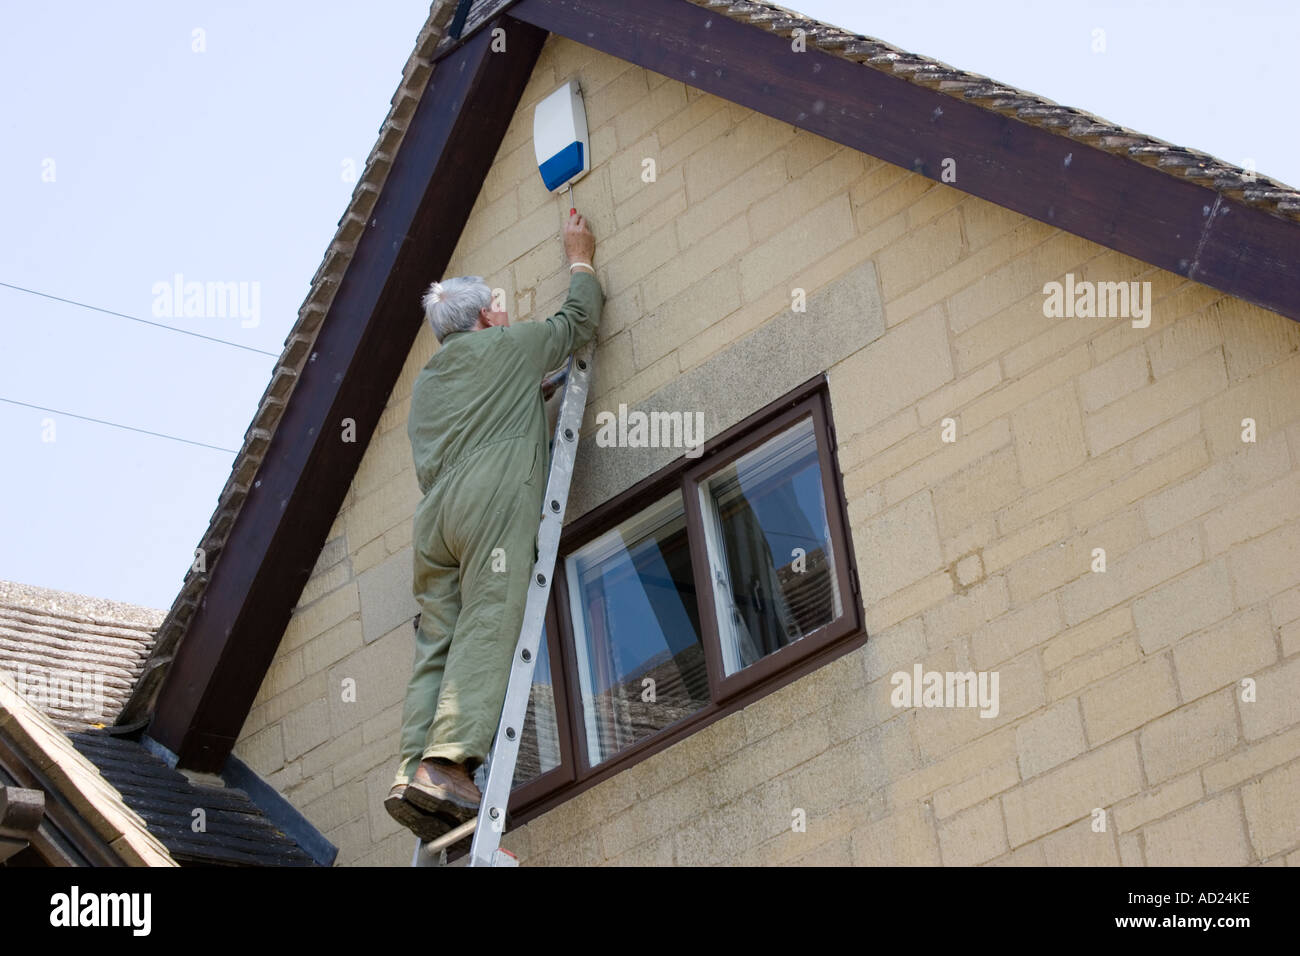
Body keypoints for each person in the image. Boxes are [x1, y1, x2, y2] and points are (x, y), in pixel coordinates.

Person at [384, 210, 602, 842]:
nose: (504, 317)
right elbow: (577, 322)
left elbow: (478, 417)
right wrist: (580, 257)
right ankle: (449, 761)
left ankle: (412, 770)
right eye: (497, 310)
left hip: (435, 524)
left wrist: (525, 396)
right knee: (490, 618)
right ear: (482, 318)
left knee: (438, 643)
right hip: (487, 507)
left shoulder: (426, 388)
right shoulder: (508, 347)